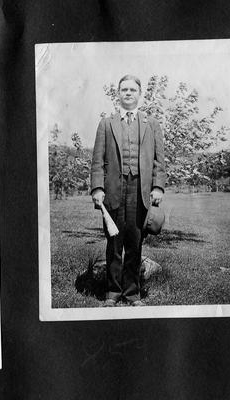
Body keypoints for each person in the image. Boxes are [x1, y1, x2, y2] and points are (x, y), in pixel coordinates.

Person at [90, 75, 166, 306]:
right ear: (118, 93)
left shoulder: (151, 124)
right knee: (114, 243)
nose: (128, 93)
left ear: (140, 93)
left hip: (140, 191)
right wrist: (97, 187)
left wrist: (158, 186)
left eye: (133, 90)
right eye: (124, 90)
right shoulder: (106, 123)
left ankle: (132, 294)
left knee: (135, 242)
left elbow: (159, 161)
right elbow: (97, 160)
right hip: (113, 190)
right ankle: (112, 293)